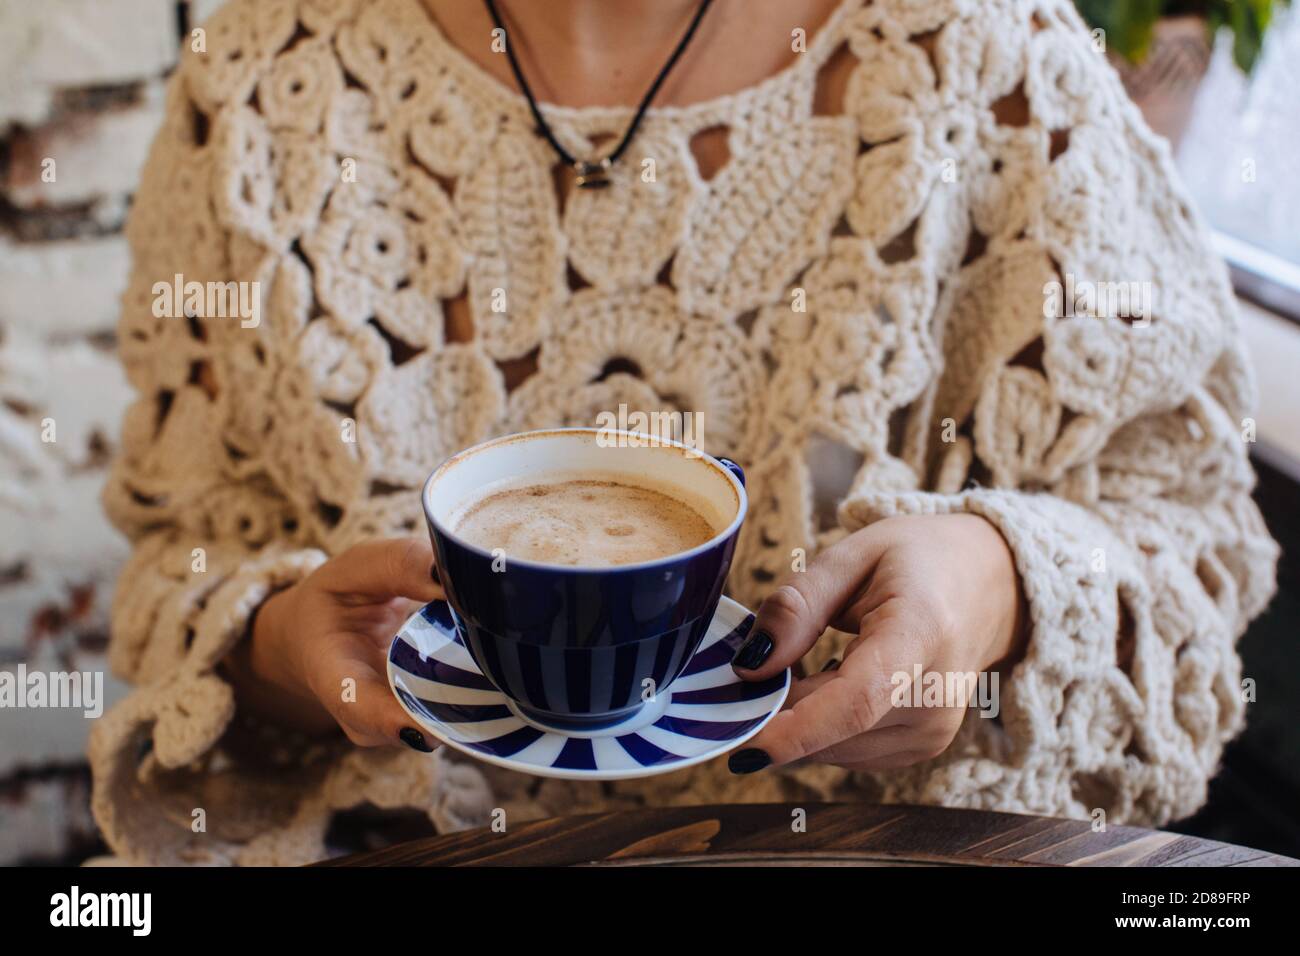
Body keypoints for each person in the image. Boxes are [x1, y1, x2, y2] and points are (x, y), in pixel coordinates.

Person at [90, 0, 1279, 865]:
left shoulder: (998, 65)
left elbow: (1193, 533)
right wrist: (288, 645)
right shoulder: (259, 82)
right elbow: (183, 552)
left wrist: (998, 587)